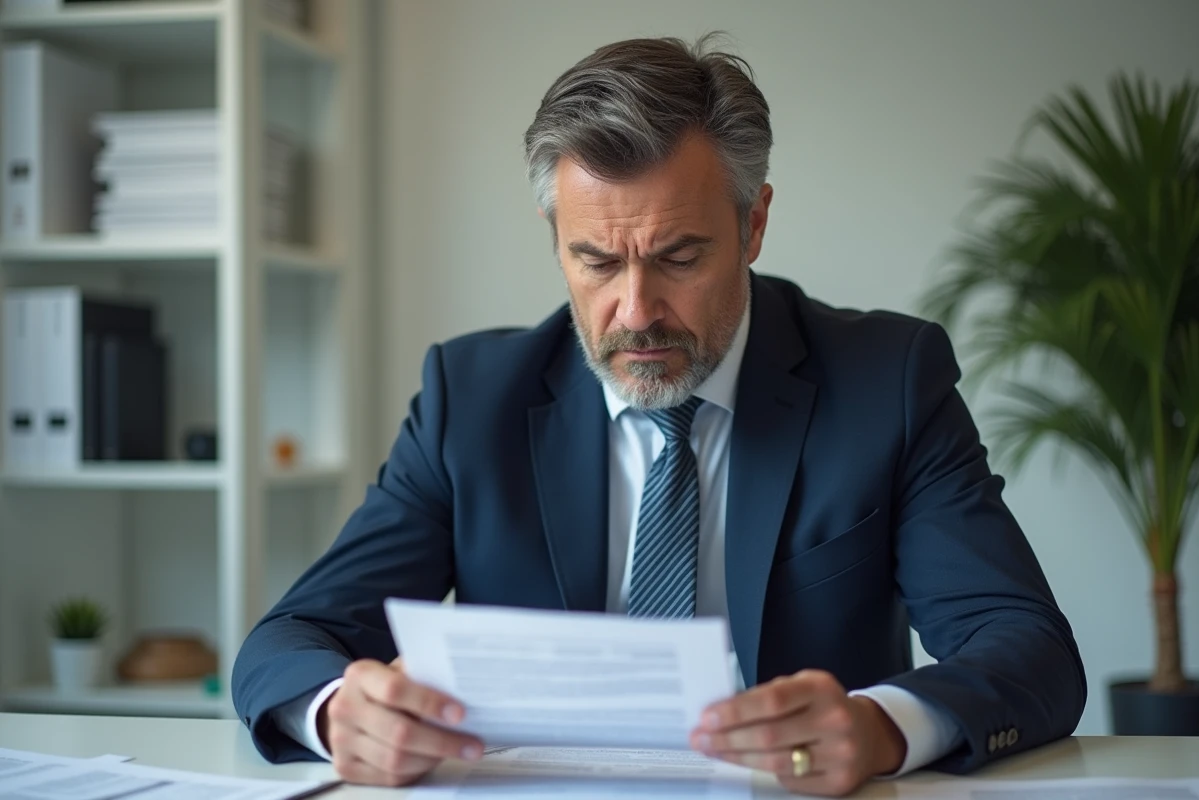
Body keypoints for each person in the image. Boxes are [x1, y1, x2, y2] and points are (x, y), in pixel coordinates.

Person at [232, 34, 1086, 796]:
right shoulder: (471, 397)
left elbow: (1026, 647)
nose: (635, 311)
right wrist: (339, 708)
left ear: (753, 225)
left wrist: (883, 727)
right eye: (596, 261)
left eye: (679, 257)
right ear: (553, 237)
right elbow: (293, 637)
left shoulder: (886, 382)